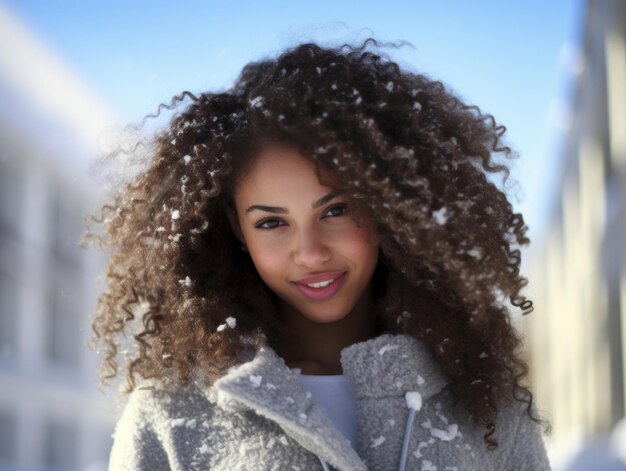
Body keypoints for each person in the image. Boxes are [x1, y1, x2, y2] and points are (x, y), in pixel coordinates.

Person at [86, 38, 552, 470]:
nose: (309, 253)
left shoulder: (485, 402)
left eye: (337, 210)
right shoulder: (170, 414)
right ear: (236, 229)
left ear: (389, 206)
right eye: (271, 222)